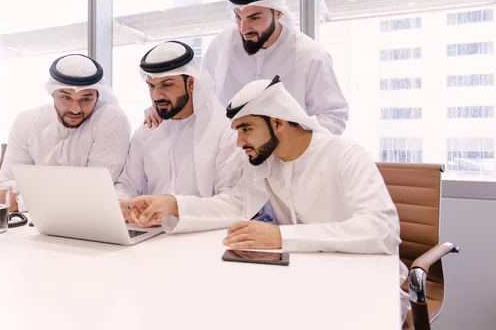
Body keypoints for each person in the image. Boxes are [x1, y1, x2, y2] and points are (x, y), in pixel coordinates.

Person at [122, 75, 410, 324]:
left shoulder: (345, 155)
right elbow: (235, 204)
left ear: (279, 122)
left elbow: (381, 230)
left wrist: (280, 237)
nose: (239, 143)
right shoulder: (265, 163)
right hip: (304, 285)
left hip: (361, 287)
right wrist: (173, 204)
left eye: (246, 129)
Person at [146, 0, 349, 135]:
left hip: (289, 167)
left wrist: (290, 140)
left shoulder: (310, 56)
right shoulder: (222, 45)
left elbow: (333, 117)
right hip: (229, 160)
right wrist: (161, 108)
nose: (244, 29)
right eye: (238, 17)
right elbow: (199, 96)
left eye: (254, 18)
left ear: (278, 13)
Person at [115, 41, 242, 220]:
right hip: (149, 234)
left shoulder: (224, 131)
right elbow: (126, 184)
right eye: (151, 86)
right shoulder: (145, 132)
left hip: (201, 236)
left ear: (190, 83)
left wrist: (177, 206)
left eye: (167, 85)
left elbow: (235, 203)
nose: (157, 96)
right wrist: (123, 205)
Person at [0, 54, 131, 212]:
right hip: (28, 224)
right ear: (52, 93)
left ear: (98, 96)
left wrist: (21, 201)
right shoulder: (27, 121)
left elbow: (93, 189)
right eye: (65, 97)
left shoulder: (110, 120)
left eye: (85, 99)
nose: (75, 109)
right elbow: (5, 188)